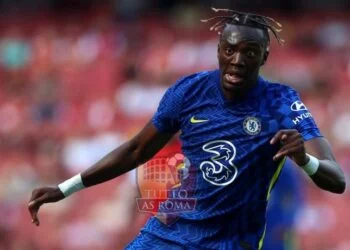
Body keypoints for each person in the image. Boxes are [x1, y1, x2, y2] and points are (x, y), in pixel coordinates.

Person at [28, 8, 346, 250]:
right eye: (230, 49)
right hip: (169, 233)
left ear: (264, 56)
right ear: (219, 48)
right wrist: (65, 188)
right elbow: (137, 150)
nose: (237, 60)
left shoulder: (281, 102)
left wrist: (306, 160)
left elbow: (337, 179)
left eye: (249, 53)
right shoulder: (189, 91)